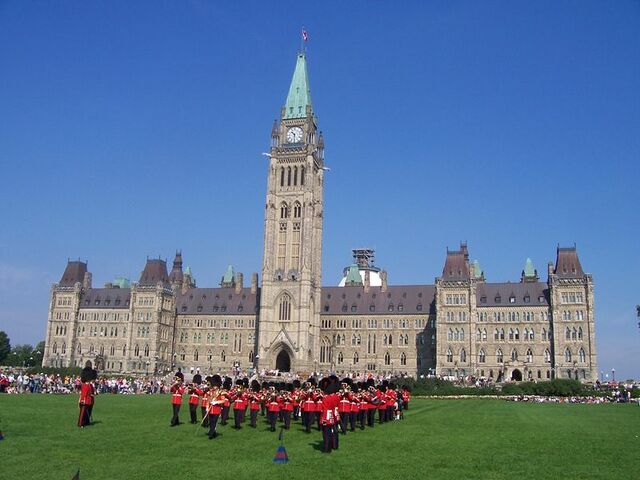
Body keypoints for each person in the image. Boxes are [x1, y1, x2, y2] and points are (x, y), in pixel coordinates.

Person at [77, 361, 96, 428]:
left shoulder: (89, 385)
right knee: (83, 413)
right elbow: (83, 394)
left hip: (89, 400)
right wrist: (82, 400)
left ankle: (86, 422)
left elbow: (92, 392)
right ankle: (80, 424)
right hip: (85, 400)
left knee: (87, 413)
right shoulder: (85, 385)